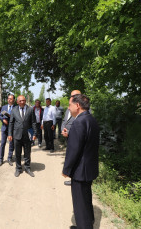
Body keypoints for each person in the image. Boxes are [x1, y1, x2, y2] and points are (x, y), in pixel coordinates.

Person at [62, 94, 99, 229]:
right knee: (86, 199)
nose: (69, 108)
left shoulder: (78, 122)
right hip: (89, 168)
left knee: (79, 204)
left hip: (80, 171)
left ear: (77, 106)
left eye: (70, 105)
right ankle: (88, 223)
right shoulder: (91, 119)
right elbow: (84, 142)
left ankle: (84, 226)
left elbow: (74, 149)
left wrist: (66, 169)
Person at [8, 95, 37, 177]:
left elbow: (33, 122)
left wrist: (34, 133)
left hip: (27, 135)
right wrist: (10, 134)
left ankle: (27, 168)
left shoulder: (30, 109)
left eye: (24, 100)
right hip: (17, 135)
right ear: (17, 102)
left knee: (27, 153)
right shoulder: (14, 110)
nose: (22, 102)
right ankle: (18, 168)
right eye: (20, 101)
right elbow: (11, 123)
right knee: (17, 153)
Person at [61, 90, 82, 186]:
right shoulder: (69, 108)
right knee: (70, 154)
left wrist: (69, 133)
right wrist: (62, 130)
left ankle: (75, 178)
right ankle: (72, 176)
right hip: (67, 136)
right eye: (71, 95)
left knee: (76, 157)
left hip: (74, 137)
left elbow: (81, 128)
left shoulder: (83, 110)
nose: (72, 97)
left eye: (75, 96)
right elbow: (64, 120)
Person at [0, 94, 16, 167]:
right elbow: (0, 115)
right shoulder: (4, 107)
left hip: (12, 129)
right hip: (4, 128)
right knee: (2, 144)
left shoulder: (16, 107)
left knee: (11, 144)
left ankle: (9, 158)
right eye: (8, 98)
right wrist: (3, 119)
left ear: (14, 100)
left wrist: (12, 117)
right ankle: (1, 159)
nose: (9, 100)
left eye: (11, 99)